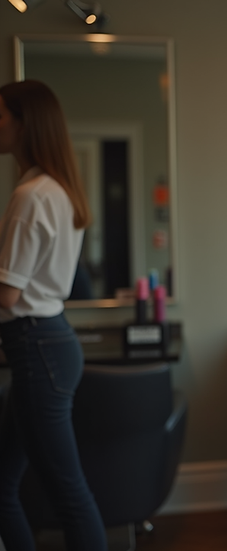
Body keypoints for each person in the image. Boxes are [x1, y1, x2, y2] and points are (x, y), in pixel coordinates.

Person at [0, 80, 107, 550]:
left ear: (25, 125)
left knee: (68, 492)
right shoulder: (55, 190)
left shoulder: (31, 196)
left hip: (36, 346)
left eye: (0, 117)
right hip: (47, 343)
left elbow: (7, 294)